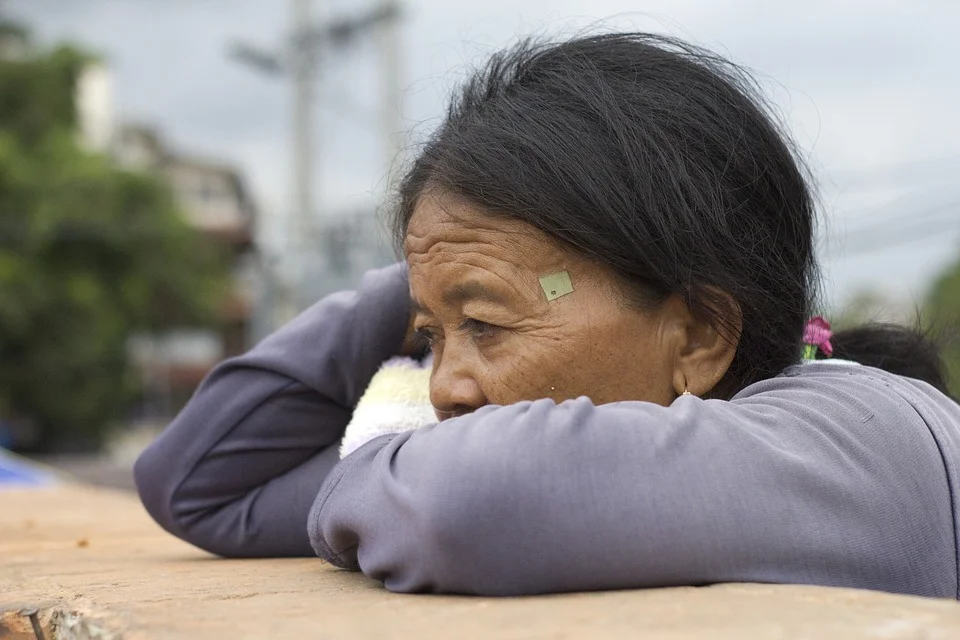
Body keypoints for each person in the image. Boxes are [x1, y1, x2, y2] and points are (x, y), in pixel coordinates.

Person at [135, 32, 960, 598]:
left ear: (702, 334)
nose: (444, 388)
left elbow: (463, 505)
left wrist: (463, 273)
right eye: (431, 340)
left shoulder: (870, 433)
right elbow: (200, 484)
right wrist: (442, 277)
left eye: (488, 327)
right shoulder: (604, 427)